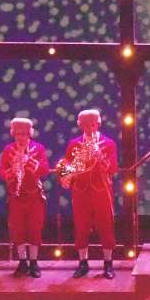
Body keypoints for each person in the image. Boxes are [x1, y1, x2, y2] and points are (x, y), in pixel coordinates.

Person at [55, 109, 119, 279]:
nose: (89, 128)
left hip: (101, 190)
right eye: (85, 125)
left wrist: (100, 157)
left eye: (92, 124)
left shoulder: (108, 143)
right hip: (81, 191)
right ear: (81, 125)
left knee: (105, 226)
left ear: (98, 124)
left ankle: (108, 264)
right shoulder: (74, 144)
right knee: (81, 226)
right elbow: (66, 166)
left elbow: (113, 168)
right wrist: (64, 177)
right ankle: (83, 263)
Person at [0, 118, 49, 278]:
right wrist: (12, 170)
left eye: (24, 134)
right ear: (14, 134)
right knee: (17, 229)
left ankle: (33, 262)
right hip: (15, 195)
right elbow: (1, 171)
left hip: (34, 195)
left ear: (29, 134)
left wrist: (31, 163)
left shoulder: (38, 148)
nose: (20, 137)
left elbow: (45, 169)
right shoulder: (8, 149)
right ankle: (22, 262)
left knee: (35, 229)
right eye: (18, 134)